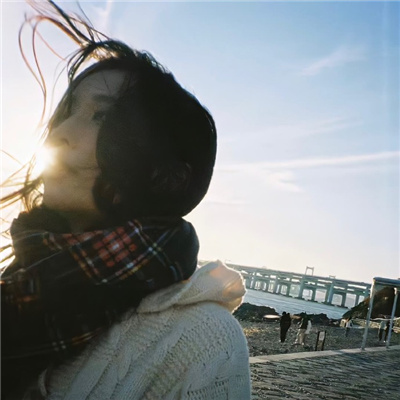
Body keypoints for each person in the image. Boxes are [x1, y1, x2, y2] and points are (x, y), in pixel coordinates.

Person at [1, 1, 251, 398]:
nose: (59, 134)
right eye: (66, 113)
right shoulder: (20, 286)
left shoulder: (203, 342)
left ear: (159, 172)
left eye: (101, 116)